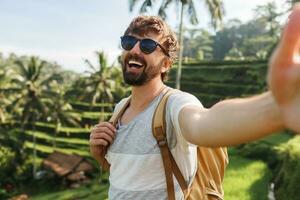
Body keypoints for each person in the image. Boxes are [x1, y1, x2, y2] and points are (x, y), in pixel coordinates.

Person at [89, 4, 300, 200]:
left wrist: (276, 108)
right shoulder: (120, 109)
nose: (135, 50)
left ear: (166, 64)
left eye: (147, 45)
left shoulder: (174, 105)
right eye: (129, 42)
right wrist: (99, 154)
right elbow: (130, 175)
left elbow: (206, 122)